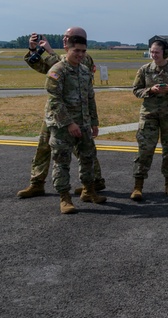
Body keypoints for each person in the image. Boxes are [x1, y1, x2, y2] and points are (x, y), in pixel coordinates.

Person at [19, 28, 106, 202]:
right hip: (55, 115)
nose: (64, 39)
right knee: (44, 148)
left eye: (67, 37)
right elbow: (45, 68)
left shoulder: (84, 59)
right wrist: (33, 51)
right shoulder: (60, 60)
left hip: (76, 115)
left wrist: (51, 52)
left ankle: (95, 182)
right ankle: (37, 182)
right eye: (64, 37)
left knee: (84, 151)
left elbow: (70, 66)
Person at [43, 31, 105, 214]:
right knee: (62, 162)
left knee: (88, 159)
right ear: (67, 49)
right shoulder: (57, 71)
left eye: (83, 51)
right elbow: (55, 101)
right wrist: (70, 124)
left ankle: (89, 191)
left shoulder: (85, 71)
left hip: (84, 124)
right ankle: (65, 198)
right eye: (76, 50)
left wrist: (94, 122)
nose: (80, 54)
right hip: (63, 126)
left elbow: (90, 98)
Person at [130, 37, 168, 200]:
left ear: (165, 53)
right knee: (144, 151)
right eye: (152, 52)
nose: (154, 55)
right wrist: (150, 91)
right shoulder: (144, 70)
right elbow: (136, 90)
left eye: (157, 52)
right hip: (149, 116)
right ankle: (138, 186)